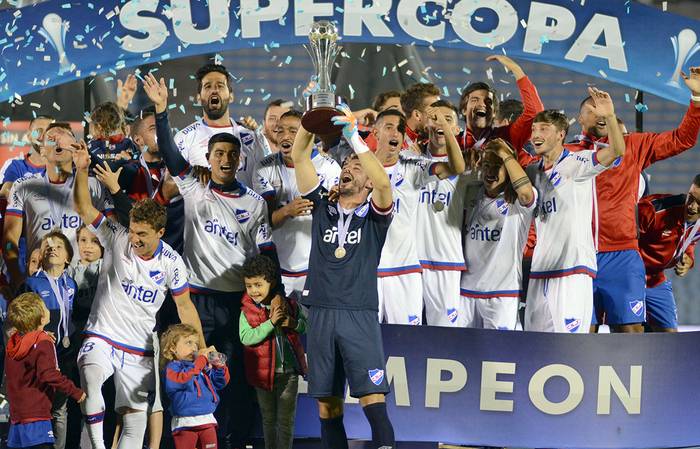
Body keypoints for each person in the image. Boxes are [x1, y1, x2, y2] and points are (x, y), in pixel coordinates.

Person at [144, 73, 277, 448]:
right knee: (192, 370)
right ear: (208, 158)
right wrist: (162, 111)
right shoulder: (194, 186)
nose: (225, 159)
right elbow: (170, 154)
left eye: (232, 155)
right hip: (197, 301)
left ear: (240, 159)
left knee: (231, 375)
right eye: (218, 154)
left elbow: (267, 256)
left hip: (236, 301)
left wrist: (269, 297)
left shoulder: (254, 203)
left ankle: (233, 440)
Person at [71, 139, 205, 449]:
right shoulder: (117, 236)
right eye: (133, 231)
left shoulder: (172, 262)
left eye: (142, 234)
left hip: (139, 348)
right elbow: (82, 207)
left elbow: (184, 307)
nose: (134, 239)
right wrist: (81, 170)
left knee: (135, 423)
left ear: (160, 232)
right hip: (102, 335)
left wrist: (202, 344)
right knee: (91, 378)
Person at [291, 105, 395, 449]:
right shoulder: (324, 206)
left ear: (366, 179)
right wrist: (310, 120)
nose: (347, 170)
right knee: (327, 406)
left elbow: (381, 181)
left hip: (358, 314)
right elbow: (300, 158)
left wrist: (353, 137)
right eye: (344, 166)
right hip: (320, 312)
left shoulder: (376, 216)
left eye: (355, 167)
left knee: (373, 404)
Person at [571, 66, 700, 333]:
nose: (600, 111)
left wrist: (697, 100)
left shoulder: (633, 146)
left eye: (604, 106)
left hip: (621, 256)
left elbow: (682, 140)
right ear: (579, 118)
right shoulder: (567, 154)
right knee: (583, 335)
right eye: (592, 108)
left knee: (631, 335)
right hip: (578, 254)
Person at [524, 89, 625, 333]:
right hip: (540, 270)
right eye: (534, 129)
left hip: (572, 270)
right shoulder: (532, 171)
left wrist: (610, 117)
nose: (536, 134)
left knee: (570, 348)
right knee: (533, 345)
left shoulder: (578, 162)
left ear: (561, 134)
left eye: (544, 129)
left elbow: (616, 151)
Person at [373, 109, 465, 325]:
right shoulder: (360, 166)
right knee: (365, 343)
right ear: (375, 133)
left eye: (400, 129)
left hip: (404, 269)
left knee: (407, 342)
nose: (396, 133)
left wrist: (443, 124)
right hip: (369, 270)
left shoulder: (414, 165)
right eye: (389, 127)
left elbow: (457, 167)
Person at [2, 122, 114, 292]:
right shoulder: (24, 186)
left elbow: (113, 235)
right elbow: (10, 239)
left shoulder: (94, 185)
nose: (56, 140)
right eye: (51, 138)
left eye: (62, 136)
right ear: (42, 151)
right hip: (41, 283)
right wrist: (17, 278)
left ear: (75, 148)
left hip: (85, 284)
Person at [253, 110, 340, 298]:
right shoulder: (264, 168)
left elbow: (337, 219)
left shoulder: (329, 168)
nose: (285, 136)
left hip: (315, 267)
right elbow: (264, 222)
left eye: (293, 131)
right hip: (278, 267)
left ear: (307, 134)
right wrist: (287, 211)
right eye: (280, 131)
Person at [460, 139, 536, 330]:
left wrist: (505, 154)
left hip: (502, 292)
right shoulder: (471, 192)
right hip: (465, 290)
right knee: (459, 351)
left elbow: (527, 194)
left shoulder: (516, 201)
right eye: (487, 166)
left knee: (498, 356)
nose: (490, 172)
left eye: (497, 166)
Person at [16, 231, 77, 449]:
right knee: (39, 408)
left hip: (65, 354)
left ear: (68, 258)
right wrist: (36, 335)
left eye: (59, 246)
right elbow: (20, 321)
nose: (52, 249)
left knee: (60, 409)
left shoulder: (71, 285)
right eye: (48, 247)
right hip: (41, 355)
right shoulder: (32, 283)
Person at [240, 254, 306, 449]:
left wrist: (293, 324)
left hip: (288, 375)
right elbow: (246, 337)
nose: (254, 291)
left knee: (286, 421)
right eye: (249, 285)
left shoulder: (290, 305)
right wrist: (270, 323)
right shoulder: (246, 311)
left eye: (258, 285)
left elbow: (308, 326)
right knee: (268, 420)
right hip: (262, 376)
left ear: (272, 282)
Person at [5, 292, 85, 449]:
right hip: (37, 418)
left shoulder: (13, 343)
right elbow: (48, 374)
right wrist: (74, 391)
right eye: (45, 307)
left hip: (17, 417)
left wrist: (39, 334)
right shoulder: (43, 342)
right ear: (41, 318)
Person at [416, 100, 471, 326]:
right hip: (410, 262)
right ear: (426, 124)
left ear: (457, 129)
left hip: (446, 260)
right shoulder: (412, 160)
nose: (440, 122)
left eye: (448, 120)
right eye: (435, 118)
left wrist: (444, 126)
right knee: (403, 331)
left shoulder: (467, 166)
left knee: (444, 334)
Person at [174, 63, 269, 187]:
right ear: (198, 98)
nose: (214, 90)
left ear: (231, 96)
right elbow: (171, 187)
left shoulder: (252, 136)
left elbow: (268, 179)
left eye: (220, 86)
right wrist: (193, 175)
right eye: (208, 86)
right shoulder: (184, 138)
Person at [637, 175, 700, 332]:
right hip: (631, 278)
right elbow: (624, 226)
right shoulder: (659, 209)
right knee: (631, 334)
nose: (692, 207)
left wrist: (689, 259)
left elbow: (690, 241)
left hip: (656, 280)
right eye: (690, 198)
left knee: (670, 338)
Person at [458, 55, 543, 166]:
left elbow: (535, 113)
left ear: (494, 113)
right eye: (475, 100)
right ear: (464, 109)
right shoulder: (451, 141)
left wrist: (516, 69)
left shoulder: (505, 136)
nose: (482, 104)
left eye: (488, 102)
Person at [161, 324, 229, 449]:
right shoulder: (172, 369)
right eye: (188, 342)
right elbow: (184, 380)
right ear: (172, 348)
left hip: (207, 420)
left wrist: (219, 366)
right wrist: (201, 361)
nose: (194, 347)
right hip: (185, 423)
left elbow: (220, 383)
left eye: (196, 344)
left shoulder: (200, 366)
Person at [0, 115, 52, 198]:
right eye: (38, 132)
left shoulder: (66, 167)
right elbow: (6, 191)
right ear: (29, 135)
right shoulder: (14, 165)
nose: (43, 137)